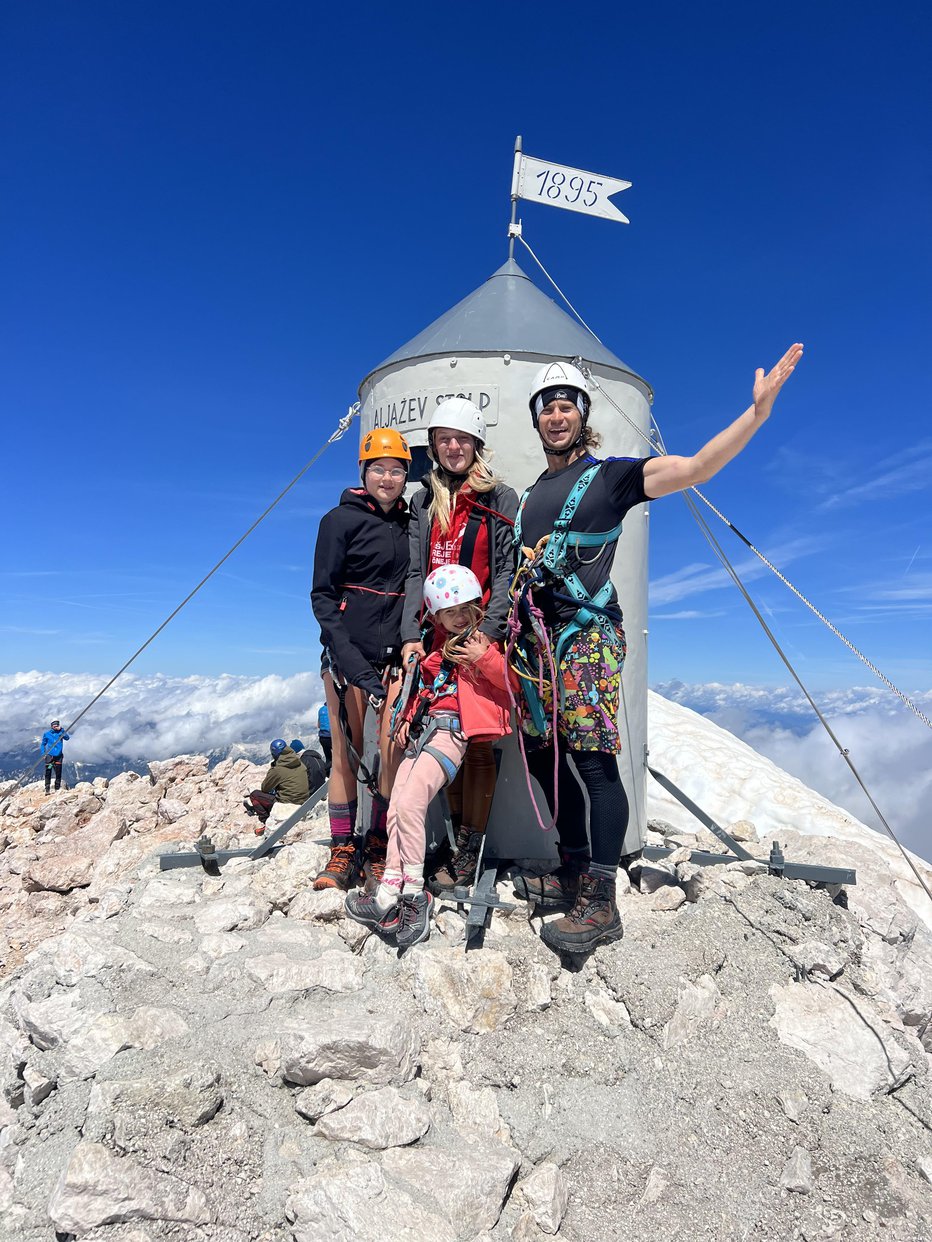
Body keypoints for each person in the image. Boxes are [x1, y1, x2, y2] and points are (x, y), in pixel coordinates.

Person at [511, 346, 804, 955]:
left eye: (567, 406)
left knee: (592, 763)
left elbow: (695, 467)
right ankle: (571, 867)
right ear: (536, 418)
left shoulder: (614, 476)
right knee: (545, 758)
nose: (557, 416)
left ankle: (600, 898)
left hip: (586, 636)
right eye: (548, 407)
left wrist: (757, 416)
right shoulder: (534, 490)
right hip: (535, 642)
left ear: (582, 415)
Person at [345, 565, 513, 948]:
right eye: (450, 611)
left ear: (477, 609)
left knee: (410, 804)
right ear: (436, 616)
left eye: (466, 608)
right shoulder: (434, 653)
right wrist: (404, 717)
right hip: (425, 731)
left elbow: (509, 684)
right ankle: (390, 886)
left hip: (452, 733)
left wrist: (484, 655)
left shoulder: (482, 646)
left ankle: (414, 894)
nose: (459, 616)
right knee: (396, 806)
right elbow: (421, 694)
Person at [400, 397, 518, 893]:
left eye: (462, 439)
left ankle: (468, 853)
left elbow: (508, 571)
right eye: (445, 439)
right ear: (433, 446)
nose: (454, 447)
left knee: (481, 743)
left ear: (476, 444)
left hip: (479, 636)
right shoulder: (423, 501)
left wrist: (485, 637)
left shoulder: (499, 497)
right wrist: (411, 634)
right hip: (436, 641)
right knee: (442, 738)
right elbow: (414, 571)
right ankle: (448, 844)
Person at [311, 428, 411, 891]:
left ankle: (376, 843)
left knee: (391, 753)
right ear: (364, 473)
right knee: (346, 756)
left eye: (396, 470)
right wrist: (349, 660)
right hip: (347, 657)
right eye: (379, 469)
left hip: (394, 658)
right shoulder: (339, 521)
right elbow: (323, 595)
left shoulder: (410, 525)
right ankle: (341, 849)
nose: (387, 478)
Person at [244, 739, 310, 831]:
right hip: (304, 801)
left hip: (287, 802)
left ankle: (266, 821)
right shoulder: (299, 763)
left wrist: (272, 770)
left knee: (255, 795)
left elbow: (265, 788)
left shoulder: (278, 769)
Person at [40, 720, 70, 794]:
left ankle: (57, 788)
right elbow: (43, 744)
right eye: (55, 725)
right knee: (48, 771)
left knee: (58, 772)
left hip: (58, 756)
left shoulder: (61, 733)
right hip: (50, 757)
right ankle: (47, 789)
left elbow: (67, 738)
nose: (56, 726)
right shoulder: (47, 734)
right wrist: (43, 753)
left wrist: (62, 730)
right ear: (52, 726)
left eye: (57, 725)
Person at [317, 702, 332, 771]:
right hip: (331, 737)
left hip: (322, 738)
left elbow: (318, 725)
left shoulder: (320, 710)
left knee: (328, 759)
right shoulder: (332, 709)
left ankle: (326, 774)